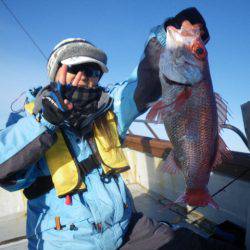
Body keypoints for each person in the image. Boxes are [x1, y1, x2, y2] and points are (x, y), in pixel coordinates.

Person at [0, 7, 238, 250]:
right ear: (56, 71)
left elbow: (145, 82)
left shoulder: (108, 108)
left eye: (93, 71)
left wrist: (169, 37)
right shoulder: (27, 117)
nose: (85, 77)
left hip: (126, 229)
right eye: (75, 68)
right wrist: (45, 121)